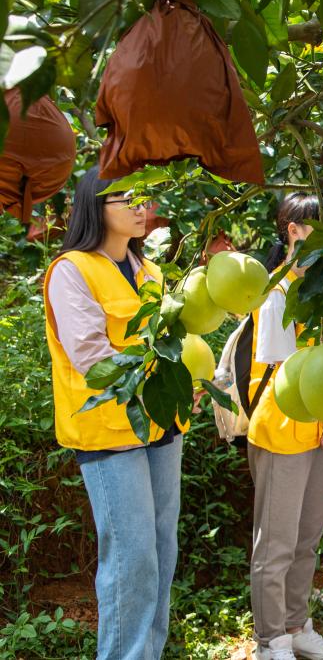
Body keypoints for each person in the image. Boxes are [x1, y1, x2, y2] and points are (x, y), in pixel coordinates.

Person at [43, 166, 186, 660]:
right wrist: (157, 377)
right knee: (131, 560)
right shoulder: (72, 270)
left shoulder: (151, 272)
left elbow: (172, 342)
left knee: (161, 551)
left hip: (161, 426)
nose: (142, 208)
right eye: (129, 199)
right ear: (95, 205)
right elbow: (90, 355)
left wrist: (186, 381)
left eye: (145, 199)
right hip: (109, 431)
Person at [247, 192, 323, 660]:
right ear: (293, 232)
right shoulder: (277, 290)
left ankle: (296, 624)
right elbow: (286, 367)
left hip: (320, 428)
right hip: (282, 428)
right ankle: (271, 640)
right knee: (277, 542)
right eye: (319, 228)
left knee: (307, 536)